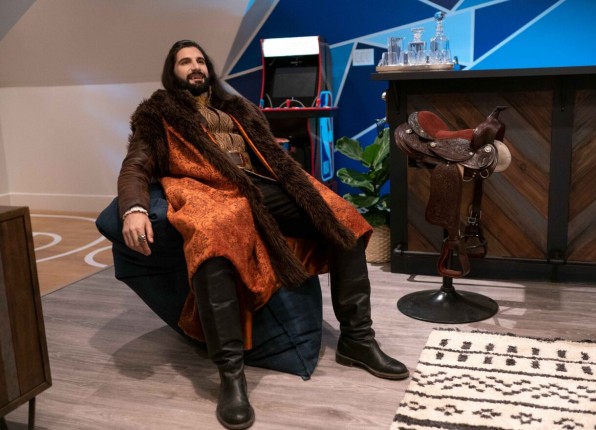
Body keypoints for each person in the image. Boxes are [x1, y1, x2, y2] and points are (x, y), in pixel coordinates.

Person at [117, 39, 408, 429]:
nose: (195, 66)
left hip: (261, 184)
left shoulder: (236, 108)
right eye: (185, 62)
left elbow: (270, 153)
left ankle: (357, 340)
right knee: (212, 240)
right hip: (208, 190)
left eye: (200, 60)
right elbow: (135, 165)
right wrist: (134, 208)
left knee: (344, 220)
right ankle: (231, 374)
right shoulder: (157, 114)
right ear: (172, 73)